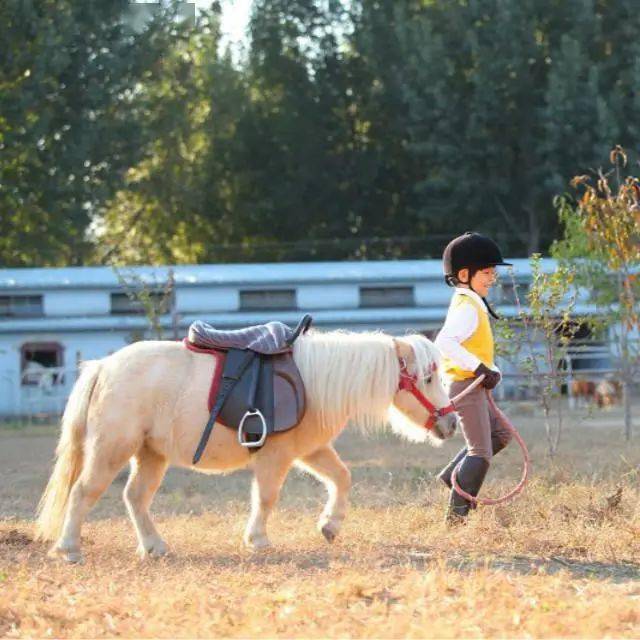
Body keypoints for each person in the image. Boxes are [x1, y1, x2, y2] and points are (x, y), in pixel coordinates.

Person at [434, 232, 513, 524]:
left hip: (474, 383)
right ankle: (456, 516)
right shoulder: (467, 307)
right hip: (466, 385)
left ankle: (453, 476)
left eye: (493, 272)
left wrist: (489, 369)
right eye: (487, 272)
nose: (492, 278)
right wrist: (479, 368)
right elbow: (445, 342)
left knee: (501, 434)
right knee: (480, 452)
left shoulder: (472, 302)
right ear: (464, 274)